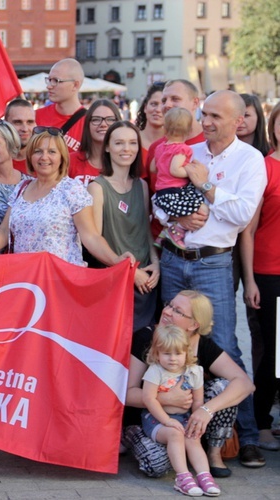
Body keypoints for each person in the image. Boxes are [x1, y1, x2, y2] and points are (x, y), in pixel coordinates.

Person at [156, 90, 268, 468]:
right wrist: (177, 219)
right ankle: (188, 438)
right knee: (176, 346)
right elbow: (161, 194)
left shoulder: (250, 160)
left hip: (213, 264)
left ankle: (248, 437)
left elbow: (241, 214)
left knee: (224, 349)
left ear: (239, 121)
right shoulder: (190, 149)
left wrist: (205, 187)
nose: (206, 122)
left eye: (216, 116)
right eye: (204, 114)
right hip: (174, 258)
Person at [126, 291, 255, 479]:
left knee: (224, 386)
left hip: (186, 422)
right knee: (157, 465)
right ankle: (131, 437)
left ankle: (213, 453)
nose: (167, 312)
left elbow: (245, 384)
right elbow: (126, 394)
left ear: (194, 325)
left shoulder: (202, 345)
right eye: (169, 305)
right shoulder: (146, 337)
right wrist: (164, 398)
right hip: (150, 421)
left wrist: (206, 410)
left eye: (177, 311)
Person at [0, 128, 132, 267]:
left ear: (62, 156)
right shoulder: (21, 188)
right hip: (26, 280)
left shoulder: (72, 189)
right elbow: (4, 229)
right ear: (30, 156)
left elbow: (90, 236)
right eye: (38, 151)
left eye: (51, 152)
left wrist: (115, 260)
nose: (44, 157)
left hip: (60, 280)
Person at [89, 121, 159, 331]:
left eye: (131, 143)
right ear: (108, 147)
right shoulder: (97, 188)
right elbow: (96, 240)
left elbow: (145, 231)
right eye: (119, 143)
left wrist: (156, 263)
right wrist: (128, 271)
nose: (126, 149)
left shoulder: (142, 186)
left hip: (146, 279)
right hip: (116, 279)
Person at [240, 101, 280, 452]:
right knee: (271, 351)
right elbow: (248, 231)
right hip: (269, 272)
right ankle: (263, 422)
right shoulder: (264, 167)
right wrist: (250, 280)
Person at [141, 325, 220, 496]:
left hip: (183, 415)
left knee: (192, 437)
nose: (173, 359)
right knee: (175, 434)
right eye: (167, 353)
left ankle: (204, 476)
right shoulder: (155, 371)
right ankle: (183, 477)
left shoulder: (194, 371)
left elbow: (198, 399)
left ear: (187, 353)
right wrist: (167, 420)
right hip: (156, 418)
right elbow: (149, 399)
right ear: (156, 353)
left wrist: (195, 420)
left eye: (178, 353)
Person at [151, 108, 209, 249]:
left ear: (165, 128)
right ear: (189, 130)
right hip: (175, 191)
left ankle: (165, 234)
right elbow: (175, 170)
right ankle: (175, 233)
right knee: (203, 209)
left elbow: (153, 168)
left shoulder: (160, 147)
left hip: (162, 193)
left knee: (184, 212)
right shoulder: (183, 149)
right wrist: (191, 171)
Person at [35, 58, 87, 152]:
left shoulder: (90, 124)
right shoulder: (35, 117)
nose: (49, 86)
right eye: (49, 80)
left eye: (56, 80)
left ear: (75, 85)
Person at [68, 99, 122, 187]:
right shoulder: (70, 161)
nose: (103, 124)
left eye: (110, 119)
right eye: (96, 119)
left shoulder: (125, 164)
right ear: (87, 124)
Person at [136, 82, 166, 180]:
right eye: (154, 104)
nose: (158, 110)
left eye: (163, 105)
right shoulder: (131, 139)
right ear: (145, 107)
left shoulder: (176, 142)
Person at [2, 98, 36, 174]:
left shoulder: (45, 164)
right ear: (5, 124)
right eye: (18, 122)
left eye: (30, 122)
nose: (25, 129)